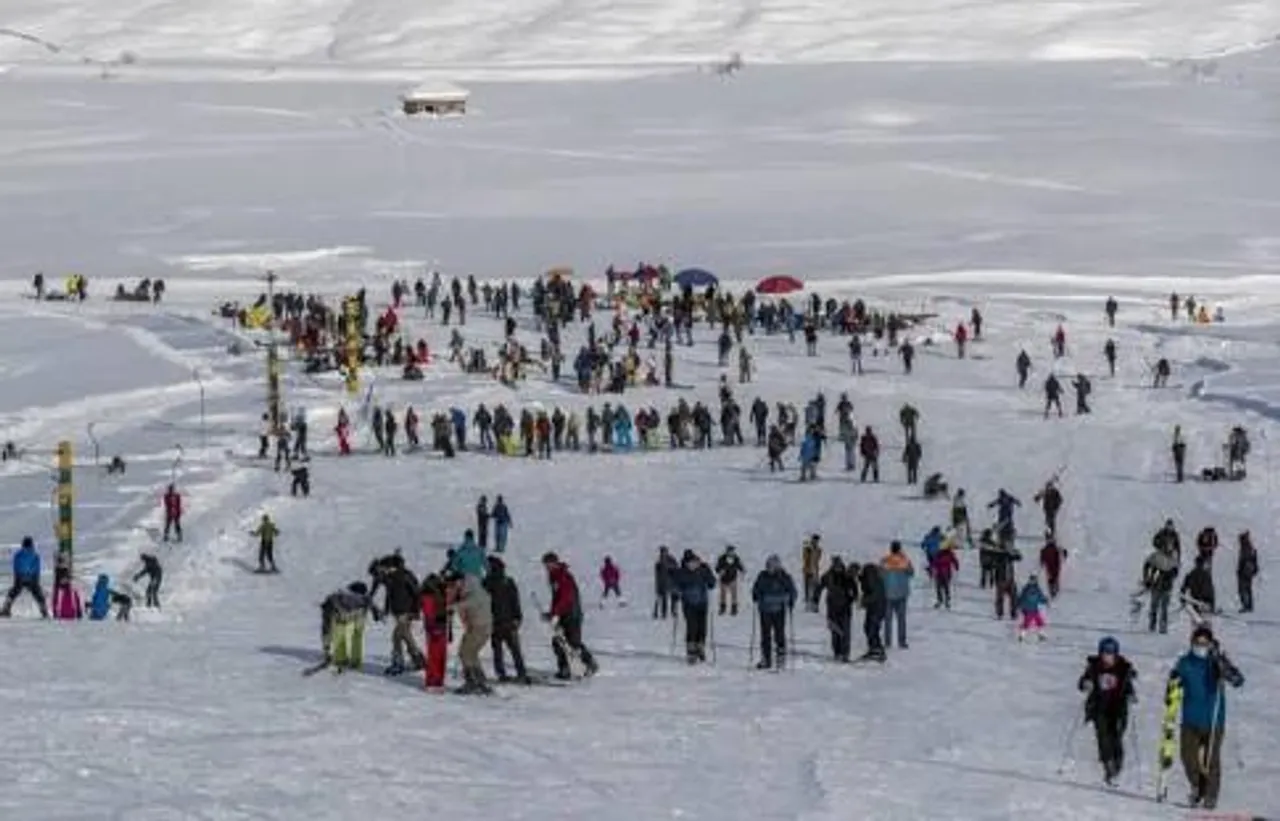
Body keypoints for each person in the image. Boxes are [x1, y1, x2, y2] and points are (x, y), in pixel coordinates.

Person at [1169, 625, 1244, 809]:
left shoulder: (1216, 662)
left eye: (1204, 644)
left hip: (1213, 721)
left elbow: (1237, 680)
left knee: (1211, 760)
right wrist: (1173, 684)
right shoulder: (1185, 663)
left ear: (1210, 644)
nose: (1200, 647)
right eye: (1198, 643)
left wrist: (1224, 667)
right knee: (1188, 757)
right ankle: (1198, 787)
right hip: (1190, 719)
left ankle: (1211, 795)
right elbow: (1174, 684)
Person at [1078, 636, 1137, 786]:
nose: (1107, 657)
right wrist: (1086, 684)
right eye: (1104, 653)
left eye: (1110, 653)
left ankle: (1117, 762)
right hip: (1099, 707)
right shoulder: (1094, 667)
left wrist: (1131, 695)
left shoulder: (1123, 668)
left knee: (1116, 735)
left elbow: (1127, 685)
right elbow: (1083, 681)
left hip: (1118, 708)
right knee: (1103, 736)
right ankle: (1108, 764)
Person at [541, 552, 598, 680]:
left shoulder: (563, 576)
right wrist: (552, 613)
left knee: (573, 643)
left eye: (548, 564)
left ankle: (590, 663)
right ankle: (564, 669)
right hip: (563, 614)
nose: (546, 568)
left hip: (572, 614)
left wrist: (556, 613)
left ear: (554, 563)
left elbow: (566, 598)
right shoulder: (553, 576)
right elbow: (556, 598)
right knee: (558, 642)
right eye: (545, 565)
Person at [378, 554, 424, 676]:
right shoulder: (389, 578)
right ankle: (418, 659)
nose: (383, 571)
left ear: (391, 567)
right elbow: (389, 596)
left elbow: (417, 593)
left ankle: (398, 663)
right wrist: (386, 610)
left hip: (406, 612)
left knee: (397, 636)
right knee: (405, 636)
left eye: (384, 568)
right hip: (397, 612)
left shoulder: (405, 576)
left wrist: (415, 611)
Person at [484, 557, 527, 684]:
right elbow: (515, 600)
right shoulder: (508, 581)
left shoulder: (487, 583)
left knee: (497, 650)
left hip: (495, 621)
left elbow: (484, 603)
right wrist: (518, 617)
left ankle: (501, 673)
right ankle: (521, 672)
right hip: (509, 621)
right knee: (515, 649)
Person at [751, 555, 797, 669]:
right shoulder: (762, 576)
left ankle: (780, 657)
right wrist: (755, 595)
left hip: (779, 610)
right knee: (765, 635)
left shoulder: (784, 577)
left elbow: (792, 591)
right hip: (765, 610)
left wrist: (791, 600)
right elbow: (756, 588)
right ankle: (766, 659)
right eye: (768, 566)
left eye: (771, 566)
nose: (769, 568)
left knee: (779, 634)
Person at [320, 581, 377, 672]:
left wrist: (326, 649)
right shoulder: (334, 602)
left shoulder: (337, 601)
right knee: (347, 635)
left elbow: (326, 630)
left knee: (346, 635)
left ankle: (345, 659)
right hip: (349, 614)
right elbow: (326, 629)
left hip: (352, 614)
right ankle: (347, 659)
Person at [452, 571, 493, 694]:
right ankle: (480, 680)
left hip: (479, 628)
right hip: (479, 627)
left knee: (465, 653)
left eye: (456, 582)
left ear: (462, 581)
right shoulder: (473, 590)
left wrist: (452, 607)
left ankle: (471, 681)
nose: (455, 585)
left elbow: (470, 603)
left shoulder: (474, 592)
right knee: (471, 653)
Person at [673, 550, 716, 663]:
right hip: (688, 603)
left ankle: (700, 647)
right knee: (692, 626)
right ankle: (691, 650)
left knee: (702, 626)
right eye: (689, 563)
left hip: (702, 603)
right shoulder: (681, 572)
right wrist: (676, 593)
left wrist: (710, 580)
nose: (692, 565)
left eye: (694, 562)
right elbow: (676, 585)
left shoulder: (703, 569)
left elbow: (712, 582)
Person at [814, 557, 855, 661]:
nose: (838, 568)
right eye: (836, 566)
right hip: (832, 608)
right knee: (835, 631)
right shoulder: (828, 576)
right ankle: (837, 652)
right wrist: (815, 599)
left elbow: (854, 588)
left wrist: (852, 598)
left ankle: (845, 653)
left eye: (839, 566)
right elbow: (819, 587)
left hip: (845, 608)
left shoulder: (847, 576)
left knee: (845, 631)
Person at [1, 537, 49, 618]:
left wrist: (18, 579)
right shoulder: (35, 555)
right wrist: (35, 581)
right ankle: (44, 610)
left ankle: (6, 608)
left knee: (13, 593)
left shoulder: (18, 555)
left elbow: (16, 567)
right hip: (32, 578)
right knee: (38, 594)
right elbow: (37, 569)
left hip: (20, 578)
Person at [880, 541, 914, 650]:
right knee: (901, 619)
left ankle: (887, 642)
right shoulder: (905, 560)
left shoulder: (885, 561)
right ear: (899, 549)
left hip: (887, 593)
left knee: (887, 620)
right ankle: (902, 641)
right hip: (902, 593)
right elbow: (911, 573)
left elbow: (880, 575)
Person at [419, 574, 449, 689]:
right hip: (443, 626)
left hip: (433, 627)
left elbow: (428, 612)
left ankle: (432, 681)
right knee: (441, 654)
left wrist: (431, 626)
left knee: (433, 655)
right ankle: (439, 680)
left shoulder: (427, 595)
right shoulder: (444, 593)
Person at [1016, 574, 1048, 641]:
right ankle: (1022, 635)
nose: (1033, 582)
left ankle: (1041, 635)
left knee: (1039, 622)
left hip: (1034, 609)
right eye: (1032, 580)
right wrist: (1019, 604)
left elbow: (1040, 597)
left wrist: (1044, 600)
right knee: (1027, 623)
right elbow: (1022, 597)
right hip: (1029, 610)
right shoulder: (1029, 589)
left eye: (1034, 580)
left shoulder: (1035, 589)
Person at [715, 545, 744, 616]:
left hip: (733, 578)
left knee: (734, 594)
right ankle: (723, 607)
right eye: (729, 551)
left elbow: (740, 566)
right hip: (723, 579)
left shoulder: (736, 558)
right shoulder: (722, 558)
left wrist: (742, 570)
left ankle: (734, 608)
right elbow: (717, 568)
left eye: (732, 551)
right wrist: (720, 570)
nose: (731, 553)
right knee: (723, 594)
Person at [930, 540, 959, 609]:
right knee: (942, 587)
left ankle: (944, 600)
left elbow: (954, 560)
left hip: (943, 572)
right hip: (942, 572)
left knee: (942, 587)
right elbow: (934, 562)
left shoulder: (946, 553)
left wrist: (956, 566)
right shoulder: (941, 553)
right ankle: (943, 600)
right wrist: (956, 566)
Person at [652, 545, 678, 619]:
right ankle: (662, 613)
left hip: (671, 583)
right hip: (662, 583)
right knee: (662, 599)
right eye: (662, 552)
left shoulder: (671, 560)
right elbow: (658, 576)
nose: (663, 553)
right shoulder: (659, 563)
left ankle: (673, 612)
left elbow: (676, 570)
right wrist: (658, 585)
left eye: (664, 551)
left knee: (673, 599)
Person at [1236, 531, 1258, 613]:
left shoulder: (1246, 548)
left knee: (1243, 589)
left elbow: (1244, 560)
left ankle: (1246, 605)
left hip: (1245, 572)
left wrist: (1240, 570)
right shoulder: (1250, 548)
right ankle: (1249, 605)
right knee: (1247, 589)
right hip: (1248, 571)